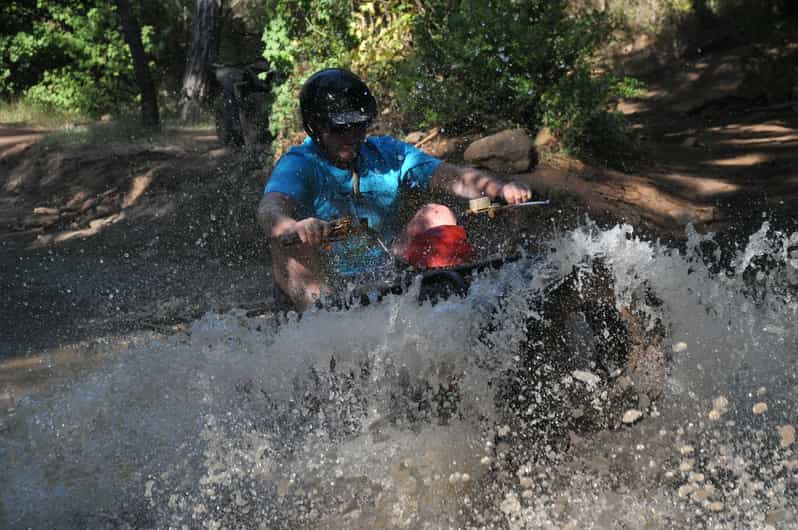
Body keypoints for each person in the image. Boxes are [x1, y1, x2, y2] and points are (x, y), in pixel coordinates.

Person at [257, 68, 532, 310]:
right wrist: (291, 227)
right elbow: (270, 209)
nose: (352, 136)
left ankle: (455, 308)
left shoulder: (387, 152)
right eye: (341, 128)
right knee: (289, 243)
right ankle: (329, 328)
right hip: (322, 284)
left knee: (437, 214)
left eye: (359, 125)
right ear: (316, 126)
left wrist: (498, 187)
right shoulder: (299, 163)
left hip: (384, 269)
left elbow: (451, 176)